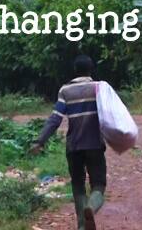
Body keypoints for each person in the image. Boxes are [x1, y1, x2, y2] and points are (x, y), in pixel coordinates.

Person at [30, 55, 106, 230]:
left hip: (74, 146)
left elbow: (54, 120)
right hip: (94, 144)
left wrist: (40, 141)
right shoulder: (99, 88)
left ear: (75, 70)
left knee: (78, 186)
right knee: (99, 184)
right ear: (91, 69)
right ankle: (91, 208)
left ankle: (81, 226)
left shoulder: (65, 90)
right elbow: (112, 115)